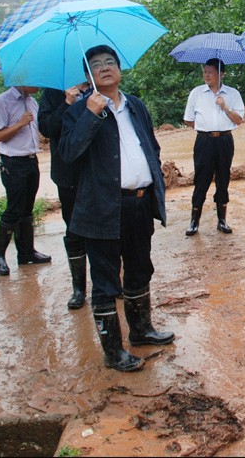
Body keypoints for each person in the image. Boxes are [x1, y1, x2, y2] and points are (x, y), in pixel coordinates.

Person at [59, 44, 174, 373]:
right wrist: (89, 115)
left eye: (111, 62)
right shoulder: (79, 111)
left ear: (120, 69)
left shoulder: (135, 105)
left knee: (140, 269)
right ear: (88, 77)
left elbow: (150, 144)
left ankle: (141, 331)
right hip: (102, 209)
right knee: (107, 280)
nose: (105, 67)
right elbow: (68, 154)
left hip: (138, 203)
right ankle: (113, 351)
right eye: (97, 64)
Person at [0, 85, 51, 275]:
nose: (38, 83)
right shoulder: (2, 102)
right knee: (14, 209)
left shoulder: (32, 102)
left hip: (31, 160)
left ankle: (26, 253)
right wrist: (20, 123)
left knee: (26, 210)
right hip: (13, 163)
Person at [38, 83, 91, 309]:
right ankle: (78, 288)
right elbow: (47, 128)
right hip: (68, 174)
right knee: (74, 230)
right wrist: (66, 103)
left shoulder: (100, 90)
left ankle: (109, 282)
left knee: (109, 228)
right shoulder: (53, 93)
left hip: (99, 173)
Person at [182, 58, 245, 236]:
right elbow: (188, 119)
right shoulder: (196, 93)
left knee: (223, 179)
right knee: (201, 179)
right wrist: (205, 129)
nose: (206, 75)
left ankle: (222, 220)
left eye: (210, 72)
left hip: (225, 140)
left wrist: (225, 106)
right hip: (204, 142)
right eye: (205, 72)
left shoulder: (232, 94)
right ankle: (194, 221)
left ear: (221, 74)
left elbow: (239, 120)